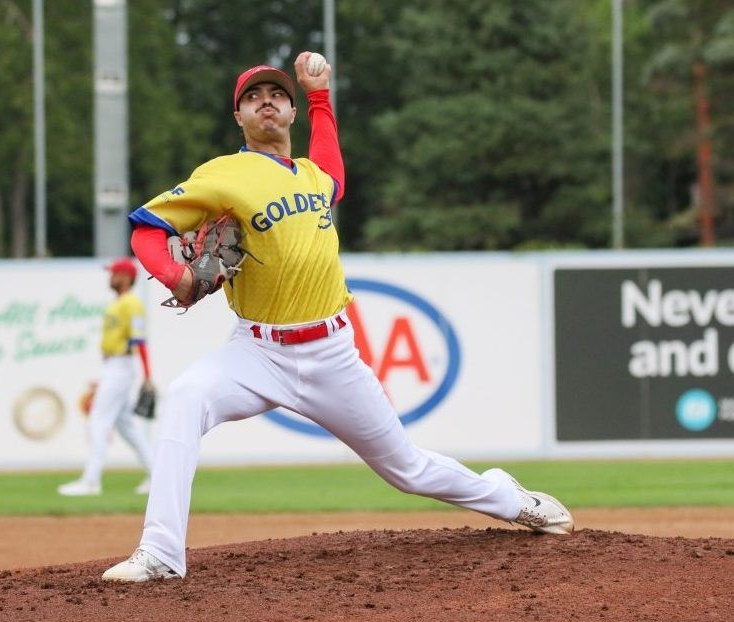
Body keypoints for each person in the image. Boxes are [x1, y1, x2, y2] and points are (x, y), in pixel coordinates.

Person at [102, 52, 574, 582]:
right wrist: (176, 277)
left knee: (406, 469)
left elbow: (333, 169)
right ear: (238, 116)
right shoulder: (222, 175)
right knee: (186, 397)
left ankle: (510, 499)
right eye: (253, 98)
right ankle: (162, 553)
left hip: (332, 354)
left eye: (277, 95)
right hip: (256, 351)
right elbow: (146, 228)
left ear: (290, 112)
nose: (266, 103)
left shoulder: (313, 176)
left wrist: (321, 95)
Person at [58, 257, 155, 496]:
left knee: (97, 422)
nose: (110, 277)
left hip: (121, 365)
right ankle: (157, 475)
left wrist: (148, 375)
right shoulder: (118, 303)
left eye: (114, 273)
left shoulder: (132, 303)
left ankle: (91, 482)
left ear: (125, 277)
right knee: (127, 428)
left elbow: (139, 340)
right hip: (113, 366)